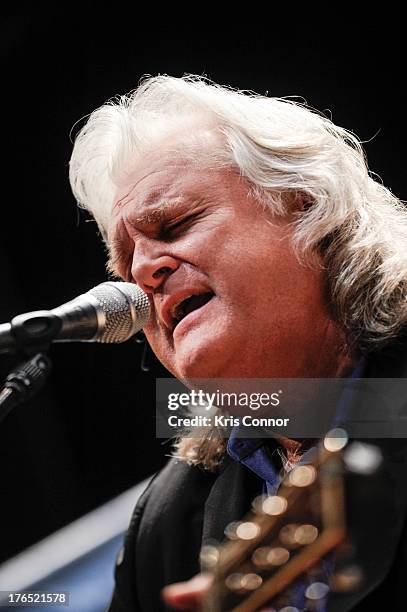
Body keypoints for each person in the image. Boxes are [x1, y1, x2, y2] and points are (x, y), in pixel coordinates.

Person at [69, 75, 407, 611]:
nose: (141, 271)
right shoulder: (165, 525)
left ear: (305, 205)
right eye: (124, 263)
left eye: (175, 224)